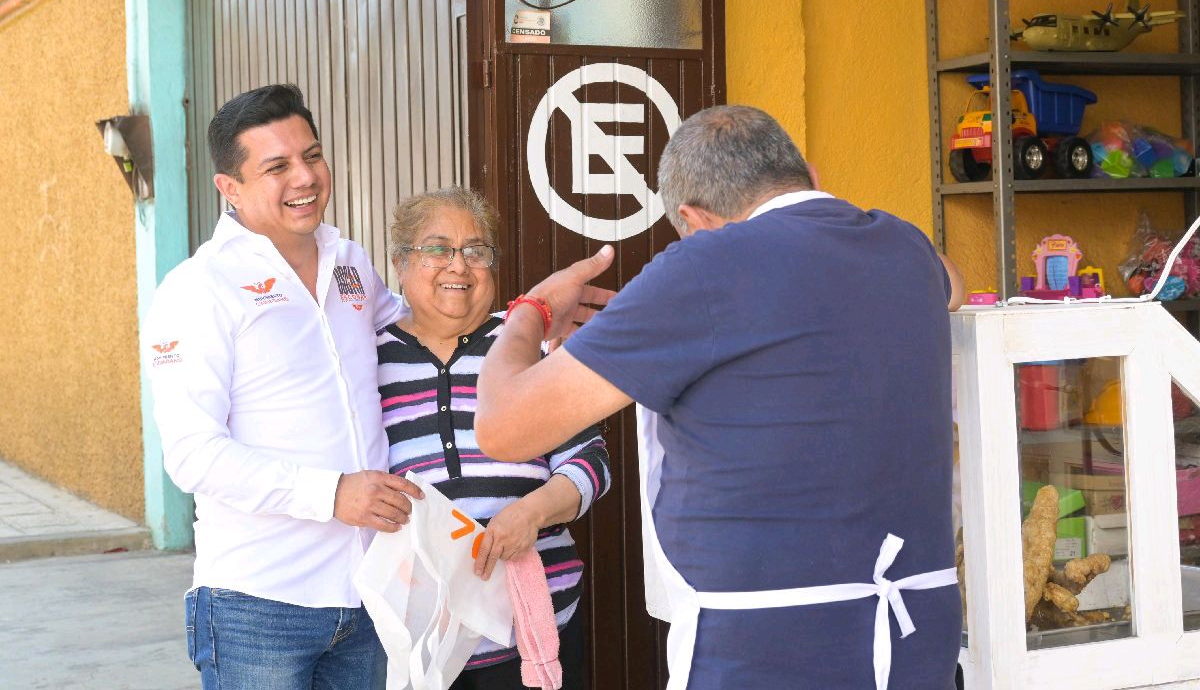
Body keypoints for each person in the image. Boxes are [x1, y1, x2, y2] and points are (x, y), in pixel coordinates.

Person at [474, 105, 966, 689]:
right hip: (919, 642)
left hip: (767, 651)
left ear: (692, 218)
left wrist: (530, 312)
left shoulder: (706, 266)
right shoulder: (905, 247)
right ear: (806, 173)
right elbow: (954, 285)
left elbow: (503, 429)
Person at [143, 84, 424, 690]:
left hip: (369, 592)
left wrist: (523, 321)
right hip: (259, 605)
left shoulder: (348, 258)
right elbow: (193, 455)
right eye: (277, 167)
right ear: (231, 188)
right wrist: (331, 495)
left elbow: (413, 334)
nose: (305, 177)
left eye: (312, 155)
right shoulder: (198, 289)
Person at [376, 186, 610, 690]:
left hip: (539, 624)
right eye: (437, 249)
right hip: (426, 639)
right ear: (399, 262)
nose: (458, 266)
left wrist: (533, 512)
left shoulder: (524, 342)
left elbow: (591, 462)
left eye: (476, 251)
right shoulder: (368, 358)